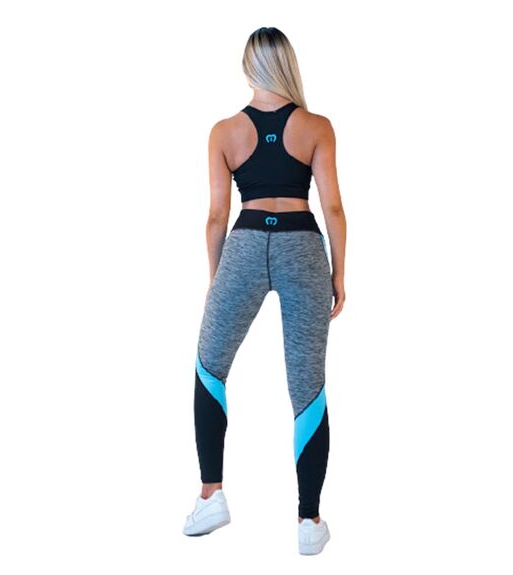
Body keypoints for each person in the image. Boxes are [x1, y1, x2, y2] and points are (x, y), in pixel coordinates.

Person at [183, 26, 346, 555]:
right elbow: (333, 207)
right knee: (308, 385)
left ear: (248, 66)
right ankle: (309, 522)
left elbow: (216, 215)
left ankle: (211, 495)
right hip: (303, 246)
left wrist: (217, 278)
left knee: (210, 364)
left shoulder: (224, 131)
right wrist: (339, 273)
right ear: (288, 65)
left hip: (246, 244)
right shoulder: (317, 127)